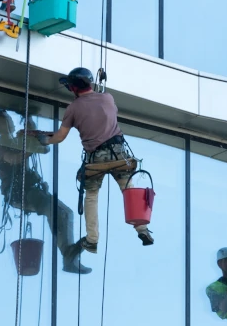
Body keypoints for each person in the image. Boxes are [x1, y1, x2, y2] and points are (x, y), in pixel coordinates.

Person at [37, 67, 154, 253]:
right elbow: (105, 112)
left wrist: (45, 140)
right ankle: (142, 228)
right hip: (119, 153)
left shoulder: (73, 108)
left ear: (73, 88)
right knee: (129, 189)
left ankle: (92, 239)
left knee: (91, 196)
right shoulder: (107, 98)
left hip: (96, 158)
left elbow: (60, 136)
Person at [0, 108, 90, 274]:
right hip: (20, 193)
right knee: (59, 212)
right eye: (4, 121)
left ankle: (69, 255)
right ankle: (68, 255)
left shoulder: (14, 141)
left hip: (30, 191)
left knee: (66, 213)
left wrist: (28, 119)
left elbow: (30, 138)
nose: (10, 123)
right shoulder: (0, 146)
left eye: (8, 120)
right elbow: (13, 159)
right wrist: (32, 148)